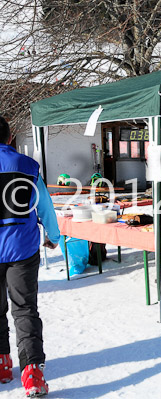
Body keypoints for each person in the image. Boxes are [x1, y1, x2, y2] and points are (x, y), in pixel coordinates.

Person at [0, 116, 59, 397]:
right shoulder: (29, 166)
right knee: (25, 309)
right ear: (10, 138)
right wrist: (54, 237)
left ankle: (2, 363)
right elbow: (44, 205)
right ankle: (33, 374)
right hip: (22, 249)